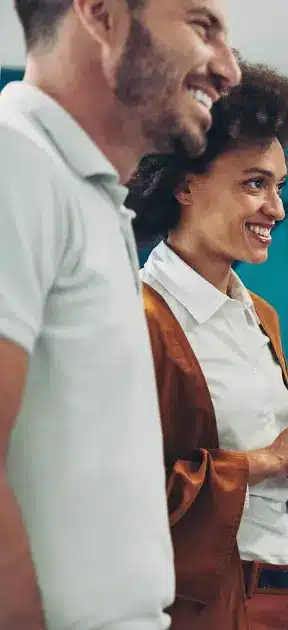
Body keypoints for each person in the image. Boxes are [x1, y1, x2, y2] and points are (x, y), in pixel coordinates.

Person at [0, 1, 239, 628]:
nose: (229, 68)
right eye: (202, 26)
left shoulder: (95, 198)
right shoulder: (14, 159)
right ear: (101, 13)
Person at [124, 59, 288, 630]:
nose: (276, 207)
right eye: (254, 183)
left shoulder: (260, 317)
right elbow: (121, 494)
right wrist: (266, 460)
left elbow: (265, 489)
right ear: (184, 184)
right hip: (199, 608)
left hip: (286, 593)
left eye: (279, 186)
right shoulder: (134, 318)